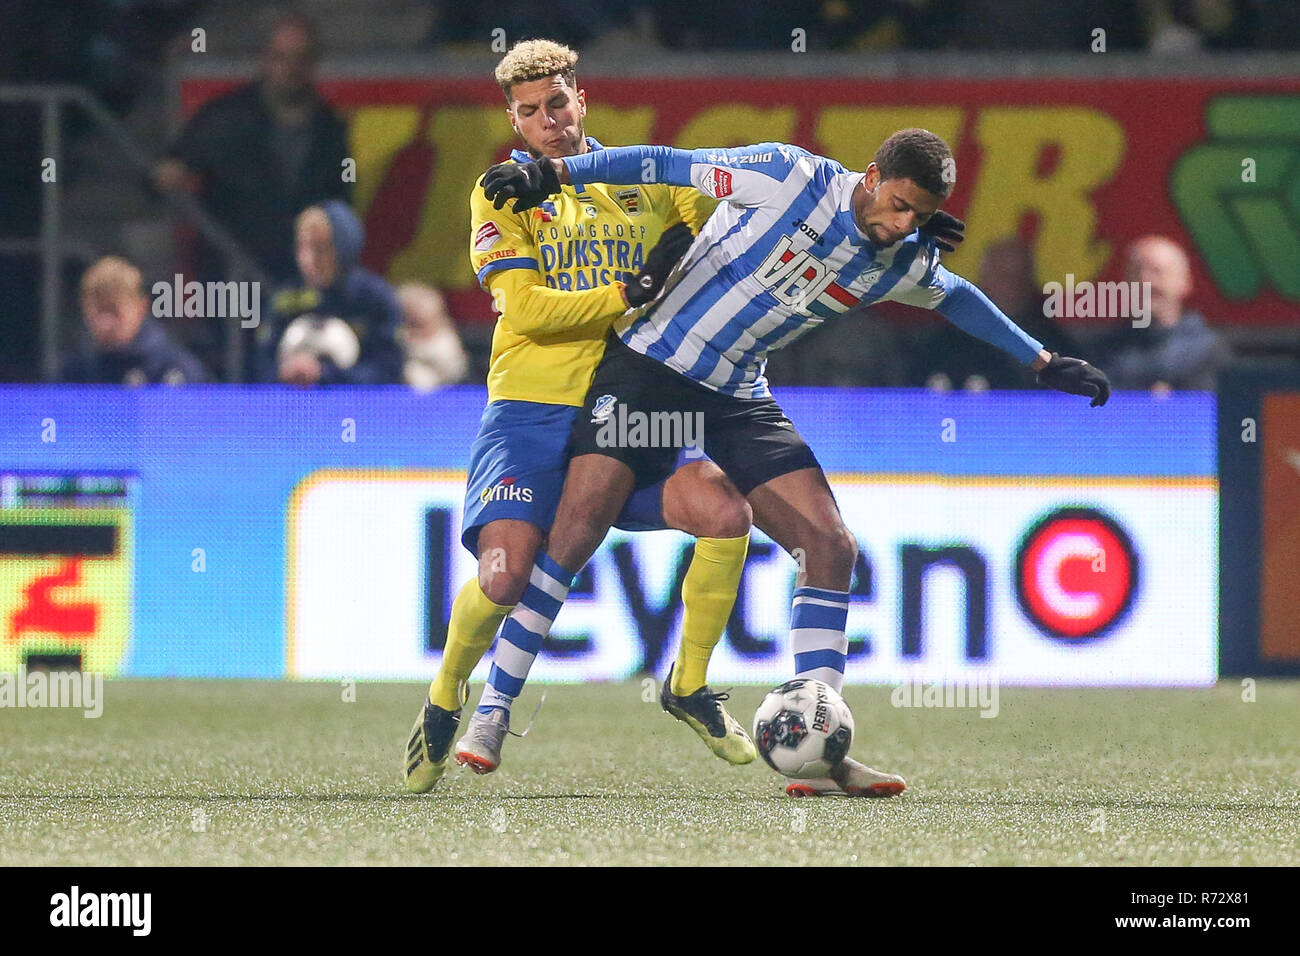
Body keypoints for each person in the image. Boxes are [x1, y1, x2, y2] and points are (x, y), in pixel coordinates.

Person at [482, 127, 1111, 797]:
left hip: (736, 394)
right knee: (577, 530)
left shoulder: (899, 261)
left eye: (920, 217)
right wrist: (557, 175)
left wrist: (1041, 361)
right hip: (651, 365)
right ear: (870, 175)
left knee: (830, 544)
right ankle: (493, 709)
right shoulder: (786, 178)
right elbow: (666, 163)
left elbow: (955, 295)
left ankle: (820, 753)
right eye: (898, 205)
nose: (903, 225)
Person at [403, 40, 756, 794]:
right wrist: (631, 295)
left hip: (630, 408)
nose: (549, 122)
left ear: (582, 100)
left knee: (726, 511)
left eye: (558, 104)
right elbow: (527, 310)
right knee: (502, 579)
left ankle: (688, 685)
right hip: (532, 409)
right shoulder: (501, 191)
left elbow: (724, 220)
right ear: (513, 118)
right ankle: (445, 694)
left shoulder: (641, 172)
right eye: (530, 112)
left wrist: (686, 242)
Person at [154, 13, 350, 286]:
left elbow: (340, 198)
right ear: (265, 59)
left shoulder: (330, 129)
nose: (291, 67)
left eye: (301, 58)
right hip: (230, 275)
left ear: (314, 62)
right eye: (281, 57)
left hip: (298, 276)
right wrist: (170, 172)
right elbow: (168, 169)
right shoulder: (225, 117)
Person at [260, 201, 404, 387]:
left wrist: (325, 373)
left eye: (320, 249)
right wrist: (287, 372)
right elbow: (262, 363)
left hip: (361, 407)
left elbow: (388, 369)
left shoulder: (373, 297)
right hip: (295, 407)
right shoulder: (287, 298)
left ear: (343, 248)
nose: (308, 260)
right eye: (302, 247)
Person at [1096, 235, 1229, 393]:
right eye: (1137, 271)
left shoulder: (1211, 352)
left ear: (1184, 282)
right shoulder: (1103, 351)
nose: (1145, 280)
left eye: (1157, 272)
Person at [63, 256, 209, 385]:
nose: (106, 323)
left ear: (141, 308)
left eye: (115, 312)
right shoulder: (74, 373)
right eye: (99, 312)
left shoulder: (176, 370)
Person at [395, 283, 470, 391]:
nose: (417, 311)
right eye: (413, 305)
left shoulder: (447, 340)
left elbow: (454, 369)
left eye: (420, 305)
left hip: (446, 392)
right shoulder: (397, 336)